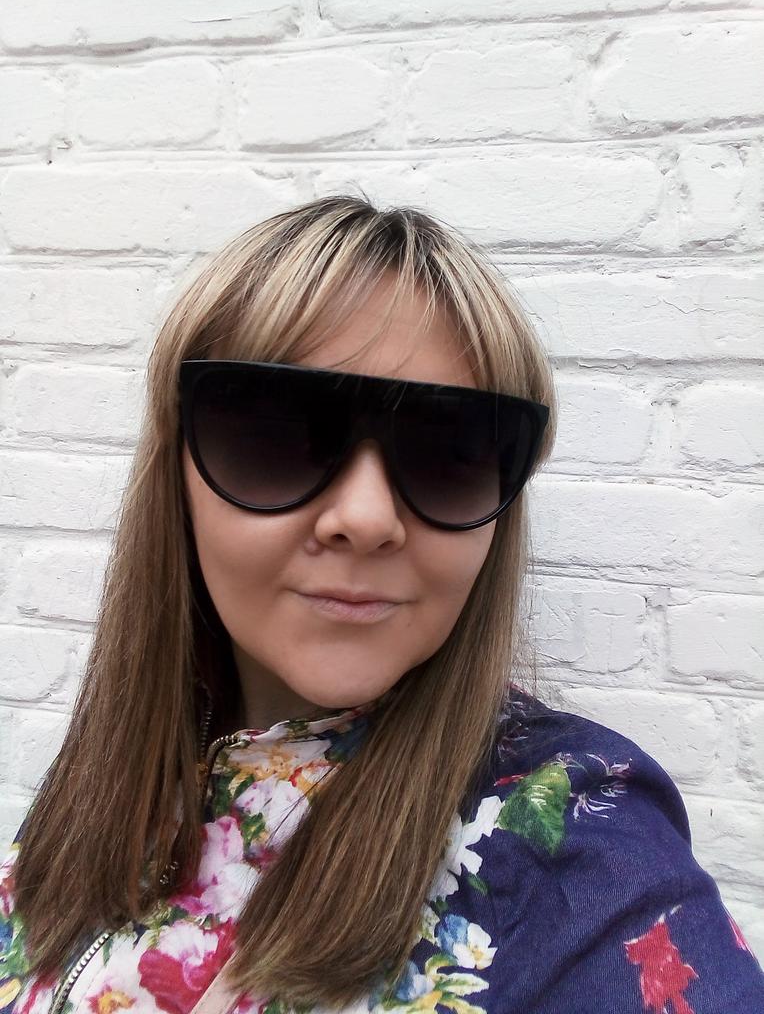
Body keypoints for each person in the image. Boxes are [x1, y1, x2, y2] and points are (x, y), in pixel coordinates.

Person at [0, 194, 762, 1014]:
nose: (366, 519)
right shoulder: (117, 778)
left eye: (450, 450)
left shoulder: (571, 842)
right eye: (277, 434)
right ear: (175, 475)